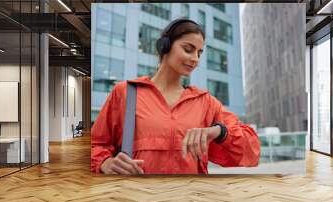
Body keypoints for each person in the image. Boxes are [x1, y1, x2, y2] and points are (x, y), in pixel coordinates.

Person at [91, 18, 260, 175]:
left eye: (199, 53)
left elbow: (251, 149)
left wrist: (219, 131)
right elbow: (94, 144)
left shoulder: (204, 102)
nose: (195, 59)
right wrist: (105, 163)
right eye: (188, 49)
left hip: (190, 201)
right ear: (165, 46)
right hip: (137, 200)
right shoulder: (126, 92)